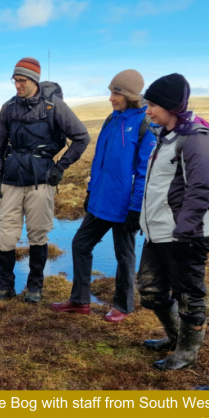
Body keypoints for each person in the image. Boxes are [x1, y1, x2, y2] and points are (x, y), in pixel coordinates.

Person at [51, 69, 155, 322]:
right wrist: (90, 191)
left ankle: (123, 305)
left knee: (125, 255)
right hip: (101, 200)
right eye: (111, 91)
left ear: (130, 95)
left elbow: (144, 171)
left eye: (116, 93)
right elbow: (99, 161)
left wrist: (136, 207)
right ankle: (79, 300)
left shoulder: (145, 123)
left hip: (125, 205)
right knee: (80, 244)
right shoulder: (112, 119)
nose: (111, 97)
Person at [0, 57, 90, 303]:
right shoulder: (8, 107)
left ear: (33, 80)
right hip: (11, 181)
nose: (17, 86)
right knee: (5, 235)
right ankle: (5, 287)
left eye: (22, 80)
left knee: (38, 234)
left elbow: (82, 138)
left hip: (41, 181)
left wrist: (60, 167)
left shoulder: (54, 107)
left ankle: (35, 287)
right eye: (15, 80)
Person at [136, 73, 209, 370]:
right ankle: (174, 337)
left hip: (185, 235)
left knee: (189, 295)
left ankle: (187, 351)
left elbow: (200, 191)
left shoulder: (196, 139)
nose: (148, 111)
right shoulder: (165, 137)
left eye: (153, 105)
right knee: (151, 290)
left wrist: (185, 234)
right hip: (156, 232)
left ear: (171, 106)